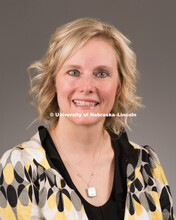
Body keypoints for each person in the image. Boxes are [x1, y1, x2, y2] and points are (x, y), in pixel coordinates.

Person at [0, 17, 175, 220]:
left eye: (101, 74)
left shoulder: (146, 166)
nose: (87, 87)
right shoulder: (20, 167)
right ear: (53, 81)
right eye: (73, 72)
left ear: (119, 85)